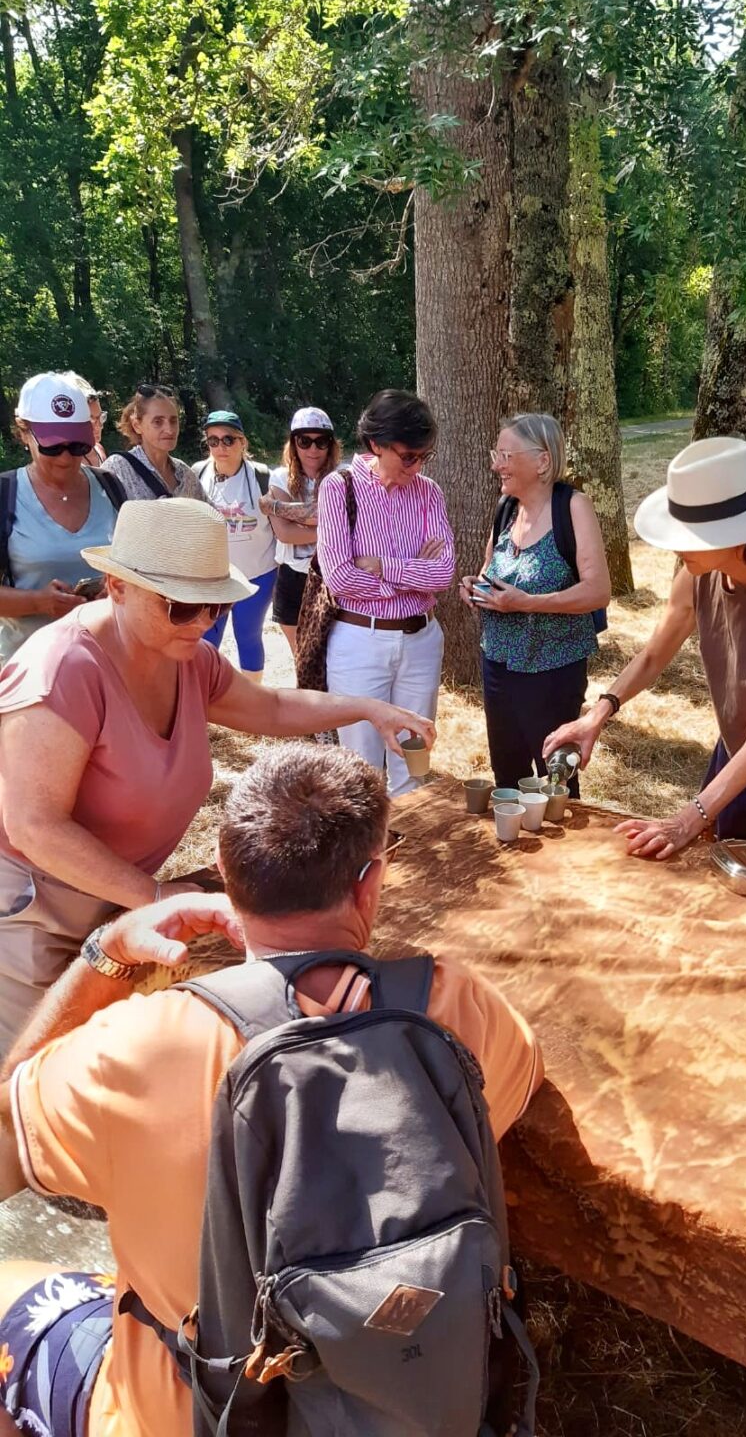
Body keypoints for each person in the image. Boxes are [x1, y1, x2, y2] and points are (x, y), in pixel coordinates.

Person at [0, 742, 543, 1437]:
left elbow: (13, 1130)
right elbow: (519, 1087)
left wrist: (104, 956)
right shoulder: (456, 1010)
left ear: (224, 874)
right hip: (401, 1395)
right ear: (370, 881)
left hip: (194, 1412)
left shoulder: (132, 1046)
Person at [0, 498, 434, 1053]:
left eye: (215, 607)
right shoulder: (63, 669)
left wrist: (367, 708)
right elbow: (34, 827)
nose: (203, 623)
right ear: (117, 587)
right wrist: (153, 894)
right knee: (34, 1075)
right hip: (37, 917)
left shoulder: (183, 656)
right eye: (183, 606)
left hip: (117, 902)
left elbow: (271, 708)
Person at [543, 437, 746, 879]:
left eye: (688, 536)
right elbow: (652, 656)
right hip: (739, 758)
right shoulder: (696, 574)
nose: (675, 547)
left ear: (737, 535)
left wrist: (688, 819)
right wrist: (597, 715)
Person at [459, 413, 610, 794]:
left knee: (554, 782)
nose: (496, 464)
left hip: (552, 671)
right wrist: (476, 588)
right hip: (497, 665)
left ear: (543, 461)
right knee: (506, 778)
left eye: (506, 455)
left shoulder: (573, 507)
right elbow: (490, 571)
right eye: (497, 454)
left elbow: (597, 591)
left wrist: (527, 603)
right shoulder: (505, 508)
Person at [319, 390, 456, 795]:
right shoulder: (339, 488)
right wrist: (415, 571)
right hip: (361, 641)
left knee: (413, 763)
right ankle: (365, 856)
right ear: (376, 444)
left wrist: (383, 565)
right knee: (359, 769)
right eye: (408, 456)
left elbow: (444, 573)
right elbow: (341, 578)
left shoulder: (429, 492)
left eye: (424, 456)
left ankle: (410, 854)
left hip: (421, 640)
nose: (417, 466)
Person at [0, 374, 125, 665]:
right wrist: (38, 602)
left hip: (106, 665)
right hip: (29, 671)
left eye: (78, 446)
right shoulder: (6, 494)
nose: (66, 457)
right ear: (23, 433)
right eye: (52, 446)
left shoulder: (110, 487)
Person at [194, 411, 277, 682]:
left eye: (228, 440)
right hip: (212, 578)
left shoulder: (263, 477)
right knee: (205, 638)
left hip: (258, 573)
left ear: (243, 442)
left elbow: (279, 527)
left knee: (248, 634)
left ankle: (253, 699)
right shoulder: (197, 474)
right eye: (213, 441)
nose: (220, 447)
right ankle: (204, 699)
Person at [261, 406, 341, 660]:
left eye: (321, 441)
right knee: (302, 657)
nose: (313, 449)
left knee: (334, 656)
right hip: (292, 576)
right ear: (293, 443)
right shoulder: (280, 477)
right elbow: (285, 534)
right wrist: (331, 527)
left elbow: (334, 517)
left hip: (332, 574)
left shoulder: (342, 476)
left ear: (331, 444)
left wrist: (276, 507)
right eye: (304, 441)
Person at [99, 384, 204, 501]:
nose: (169, 430)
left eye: (173, 421)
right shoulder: (118, 469)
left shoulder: (185, 475)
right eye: (158, 422)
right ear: (137, 425)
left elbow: (211, 516)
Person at [55, 373, 107, 466]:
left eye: (100, 418)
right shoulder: (59, 462)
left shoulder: (98, 450)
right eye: (90, 421)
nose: (98, 427)